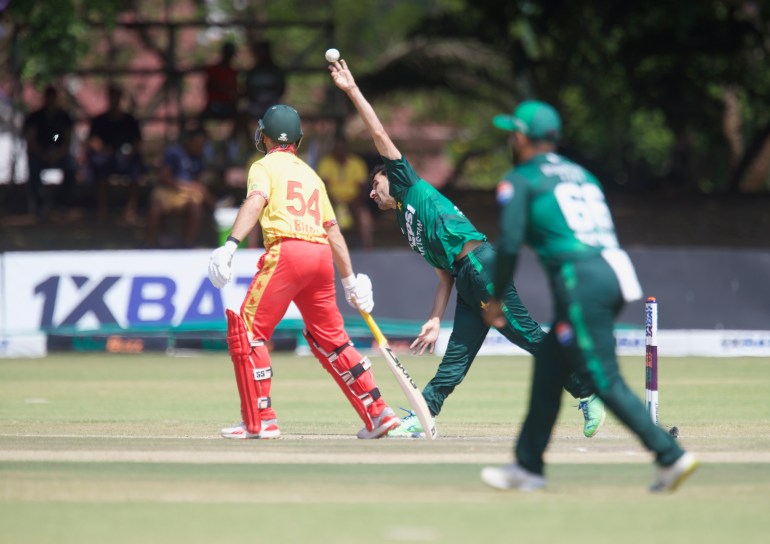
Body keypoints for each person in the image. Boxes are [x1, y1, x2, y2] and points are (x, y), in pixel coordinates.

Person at [328, 59, 604, 439]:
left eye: (376, 184)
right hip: (465, 278)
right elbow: (444, 274)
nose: (373, 192)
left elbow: (377, 131)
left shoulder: (406, 183)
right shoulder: (406, 223)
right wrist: (435, 318)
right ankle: (422, 415)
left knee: (527, 335)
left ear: (390, 176)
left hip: (482, 266)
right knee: (455, 359)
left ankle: (588, 391)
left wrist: (351, 90)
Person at [480, 100, 699, 492]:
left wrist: (496, 299)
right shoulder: (582, 176)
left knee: (603, 378)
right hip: (612, 272)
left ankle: (670, 455)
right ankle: (527, 466)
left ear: (524, 138)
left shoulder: (522, 179)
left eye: (513, 132)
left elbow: (509, 245)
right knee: (550, 365)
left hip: (580, 281)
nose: (511, 139)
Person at [207, 104, 400, 440]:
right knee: (334, 341)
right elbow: (333, 232)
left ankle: (260, 419)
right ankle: (378, 412)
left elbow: (255, 201)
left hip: (288, 252)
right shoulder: (311, 174)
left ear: (264, 135)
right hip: (320, 258)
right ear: (297, 139)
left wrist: (230, 245)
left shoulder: (263, 166)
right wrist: (349, 280)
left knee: (248, 333)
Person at [144, 125, 213, 248]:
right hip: (168, 190)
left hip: (187, 194)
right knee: (155, 208)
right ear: (188, 141)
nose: (200, 147)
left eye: (202, 144)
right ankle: (150, 244)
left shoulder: (199, 156)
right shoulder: (173, 152)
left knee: (196, 208)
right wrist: (184, 186)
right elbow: (163, 177)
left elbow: (198, 180)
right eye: (197, 144)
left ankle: (187, 244)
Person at [86, 84, 145, 222]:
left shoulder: (129, 120)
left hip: (125, 157)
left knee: (136, 166)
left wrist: (130, 152)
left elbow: (137, 141)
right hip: (106, 157)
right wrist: (104, 150)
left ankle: (131, 206)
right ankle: (102, 206)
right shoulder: (99, 120)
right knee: (99, 164)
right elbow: (93, 140)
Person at [23, 85, 76, 218]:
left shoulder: (63, 116)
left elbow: (67, 140)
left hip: (60, 154)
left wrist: (58, 154)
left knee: (71, 166)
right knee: (33, 165)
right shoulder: (35, 117)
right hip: (40, 154)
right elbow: (32, 139)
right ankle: (39, 202)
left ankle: (63, 202)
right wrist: (42, 153)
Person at [316, 134, 374, 249]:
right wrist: (333, 201)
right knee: (325, 216)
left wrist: (355, 201)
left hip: (353, 200)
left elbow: (362, 188)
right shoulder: (325, 163)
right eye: (337, 148)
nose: (339, 151)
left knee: (364, 217)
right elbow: (323, 187)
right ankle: (327, 248)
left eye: (342, 147)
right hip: (332, 201)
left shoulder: (357, 163)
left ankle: (368, 250)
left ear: (347, 148)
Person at [244, 41, 286, 120]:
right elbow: (247, 90)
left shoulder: (276, 71)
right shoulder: (253, 72)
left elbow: (281, 89)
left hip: (272, 104)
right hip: (256, 104)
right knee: (242, 116)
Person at [202, 42, 240, 122]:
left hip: (228, 106)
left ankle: (232, 135)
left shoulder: (232, 72)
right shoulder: (213, 69)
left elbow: (234, 92)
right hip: (214, 105)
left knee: (241, 118)